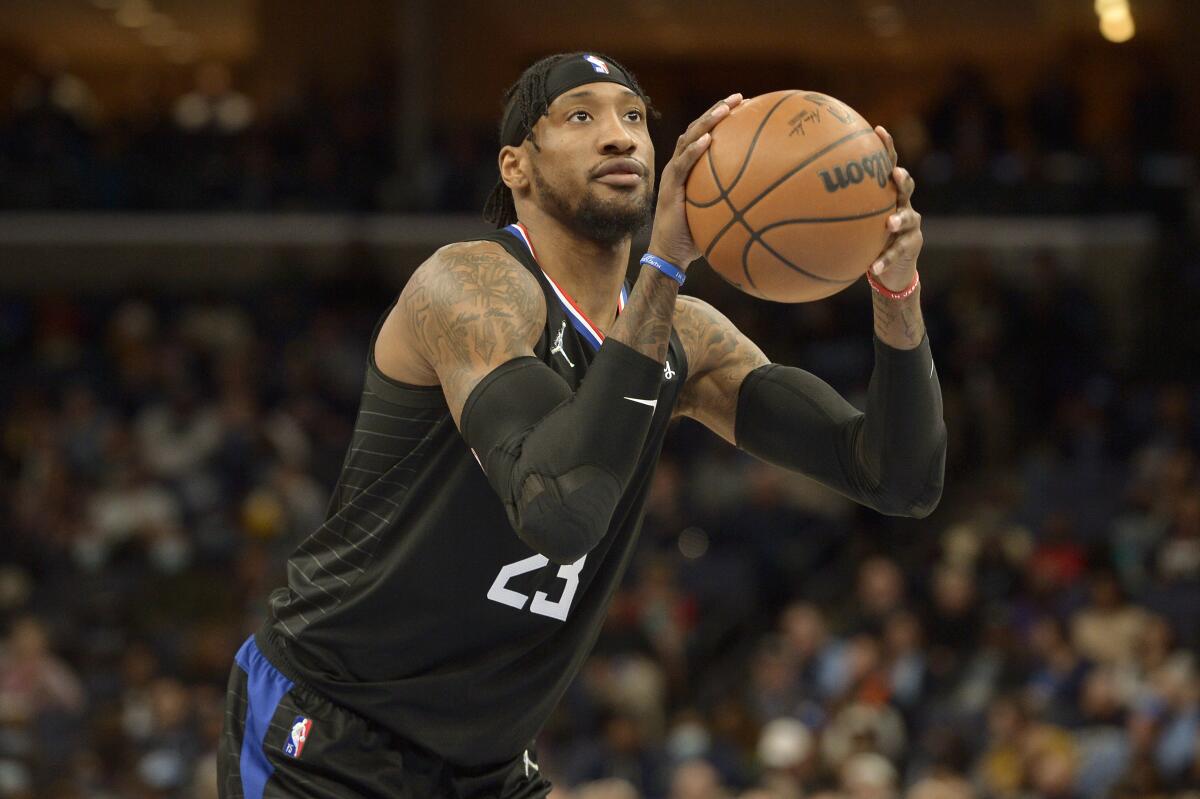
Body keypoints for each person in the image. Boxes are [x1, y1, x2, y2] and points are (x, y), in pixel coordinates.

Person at [218, 51, 946, 798]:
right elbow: (559, 509)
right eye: (581, 117)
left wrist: (896, 294)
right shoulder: (470, 284)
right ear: (516, 167)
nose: (619, 136)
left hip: (489, 763)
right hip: (331, 729)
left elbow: (898, 476)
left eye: (634, 117)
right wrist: (665, 263)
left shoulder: (686, 335)